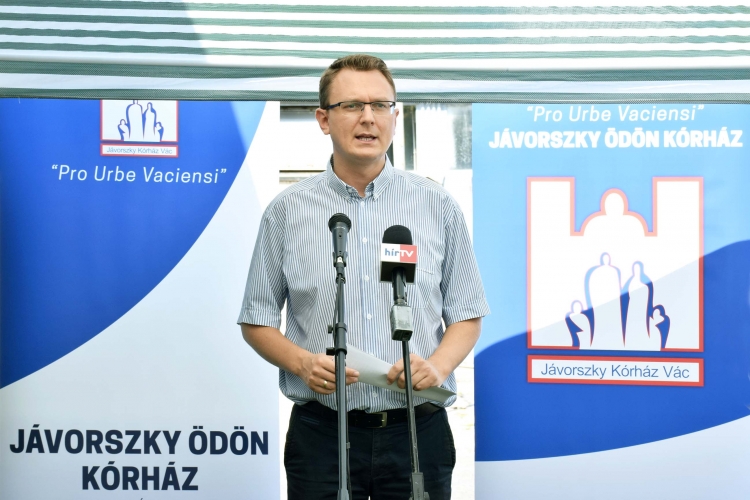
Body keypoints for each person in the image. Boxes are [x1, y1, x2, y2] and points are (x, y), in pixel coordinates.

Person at [238, 54, 489, 500]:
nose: (368, 118)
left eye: (380, 105)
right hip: (322, 435)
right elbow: (256, 320)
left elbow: (467, 314)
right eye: (352, 105)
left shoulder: (436, 206)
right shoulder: (287, 212)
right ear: (323, 119)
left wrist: (437, 365)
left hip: (417, 430)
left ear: (395, 115)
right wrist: (301, 363)